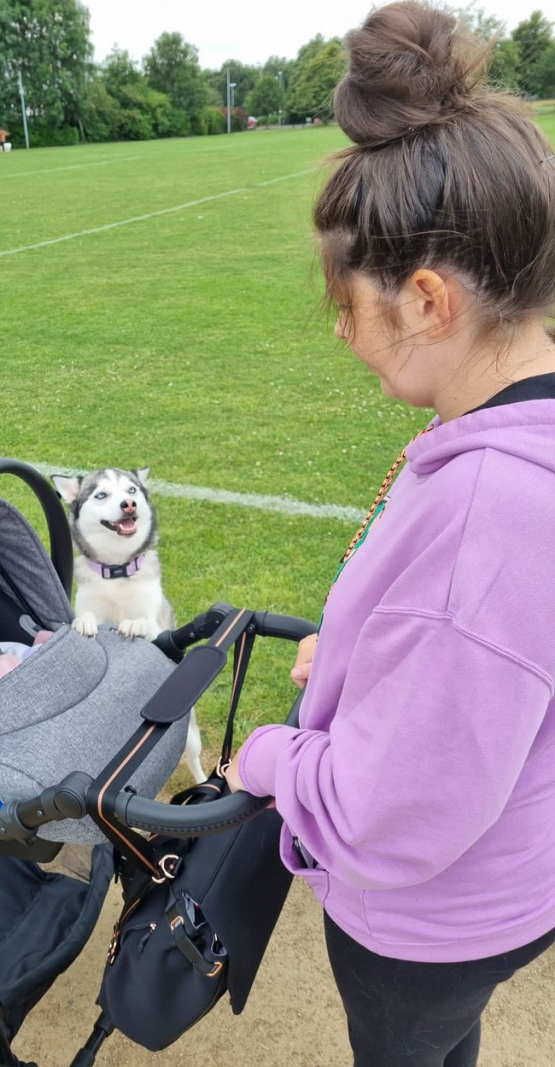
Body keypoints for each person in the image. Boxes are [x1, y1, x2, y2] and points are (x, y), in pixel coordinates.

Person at [225, 3, 555, 1066]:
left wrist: (276, 755)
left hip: (431, 918)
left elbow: (396, 809)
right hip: (516, 866)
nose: (339, 329)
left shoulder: (483, 510)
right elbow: (497, 666)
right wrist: (366, 667)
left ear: (423, 299)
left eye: (347, 300)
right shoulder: (521, 439)